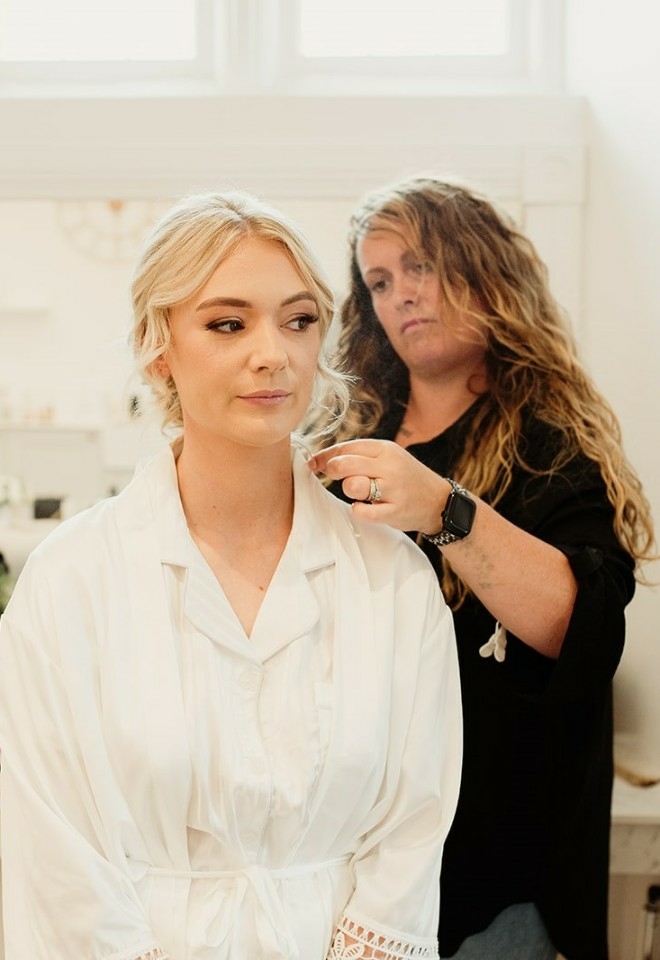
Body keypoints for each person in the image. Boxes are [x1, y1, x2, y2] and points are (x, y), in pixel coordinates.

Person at [0, 191, 463, 960]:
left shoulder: (391, 578)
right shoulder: (70, 581)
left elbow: (415, 824)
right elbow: (52, 846)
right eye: (227, 323)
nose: (273, 353)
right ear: (159, 348)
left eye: (299, 320)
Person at [307, 175, 657, 960]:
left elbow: (586, 629)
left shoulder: (551, 445)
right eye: (380, 281)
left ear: (485, 270)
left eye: (422, 265)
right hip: (348, 853)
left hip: (498, 873)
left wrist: (444, 509)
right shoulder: (342, 444)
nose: (402, 294)